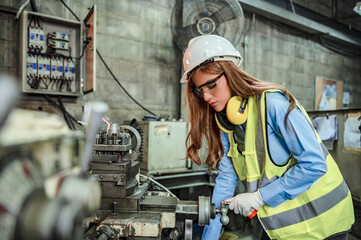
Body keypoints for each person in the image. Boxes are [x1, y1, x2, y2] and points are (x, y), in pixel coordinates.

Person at [180, 35, 354, 240]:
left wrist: (259, 197)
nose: (206, 96)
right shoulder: (226, 123)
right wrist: (209, 236)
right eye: (201, 90)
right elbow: (227, 179)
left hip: (325, 222)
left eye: (211, 85)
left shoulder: (274, 104)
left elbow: (314, 164)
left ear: (230, 73)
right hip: (283, 228)